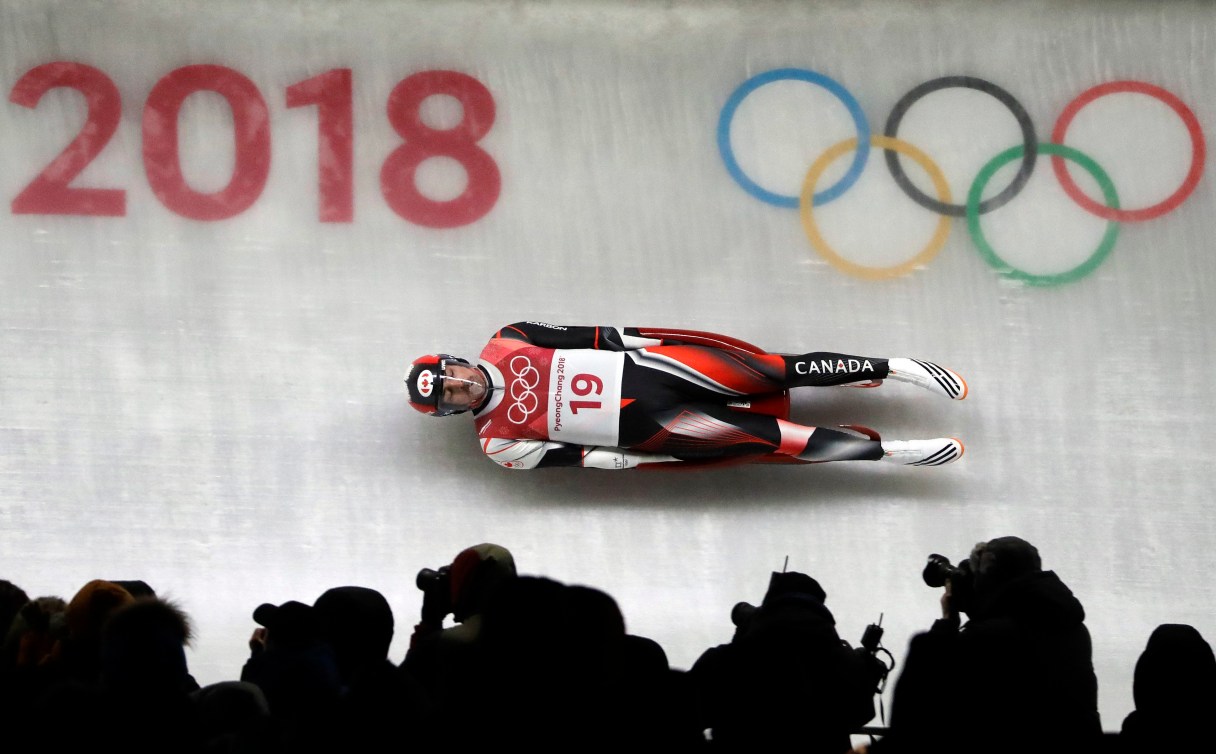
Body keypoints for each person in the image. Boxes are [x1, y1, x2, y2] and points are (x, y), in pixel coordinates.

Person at [405, 321, 966, 469]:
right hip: (655, 428)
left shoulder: (510, 339)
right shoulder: (498, 443)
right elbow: (579, 459)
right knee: (772, 440)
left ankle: (893, 367)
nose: (462, 386)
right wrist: (640, 461)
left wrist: (651, 341)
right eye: (453, 397)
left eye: (453, 376)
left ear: (456, 360)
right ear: (453, 412)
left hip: (659, 371)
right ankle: (890, 452)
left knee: (772, 370)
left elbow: (593, 336)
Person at [866, 536, 1102, 754]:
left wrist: (947, 623)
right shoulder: (1074, 629)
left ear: (988, 580)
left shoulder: (985, 639)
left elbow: (923, 707)